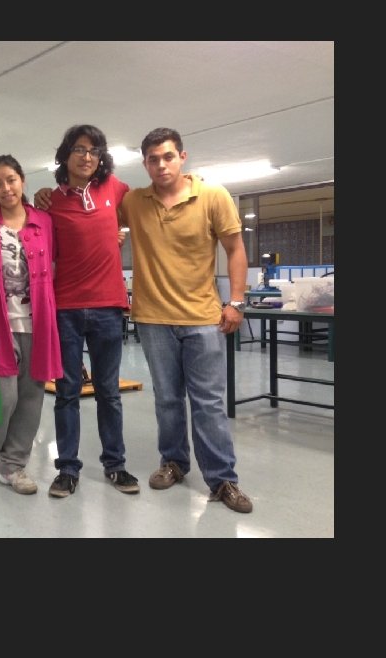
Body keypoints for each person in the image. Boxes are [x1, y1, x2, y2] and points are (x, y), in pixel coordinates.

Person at [118, 127, 253, 513]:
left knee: (208, 402)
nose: (161, 165)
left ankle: (222, 478)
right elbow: (93, 213)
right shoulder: (133, 202)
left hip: (203, 319)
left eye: (167, 157)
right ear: (145, 163)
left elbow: (235, 248)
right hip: (152, 319)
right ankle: (174, 462)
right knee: (167, 400)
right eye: (152, 159)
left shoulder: (213, 196)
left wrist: (236, 302)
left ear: (182, 157)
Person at [31, 125, 138, 499]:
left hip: (108, 307)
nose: (87, 156)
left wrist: (118, 233)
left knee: (109, 392)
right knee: (67, 392)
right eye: (79, 149)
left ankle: (115, 465)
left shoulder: (114, 189)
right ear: (65, 155)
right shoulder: (50, 201)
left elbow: (146, 206)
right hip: (66, 309)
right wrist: (37, 197)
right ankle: (67, 469)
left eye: (94, 150)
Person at [0, 155, 62, 495]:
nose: (6, 188)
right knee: (3, 397)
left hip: (37, 323)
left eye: (11, 180)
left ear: (22, 180)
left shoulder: (44, 221)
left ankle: (13, 465)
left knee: (31, 398)